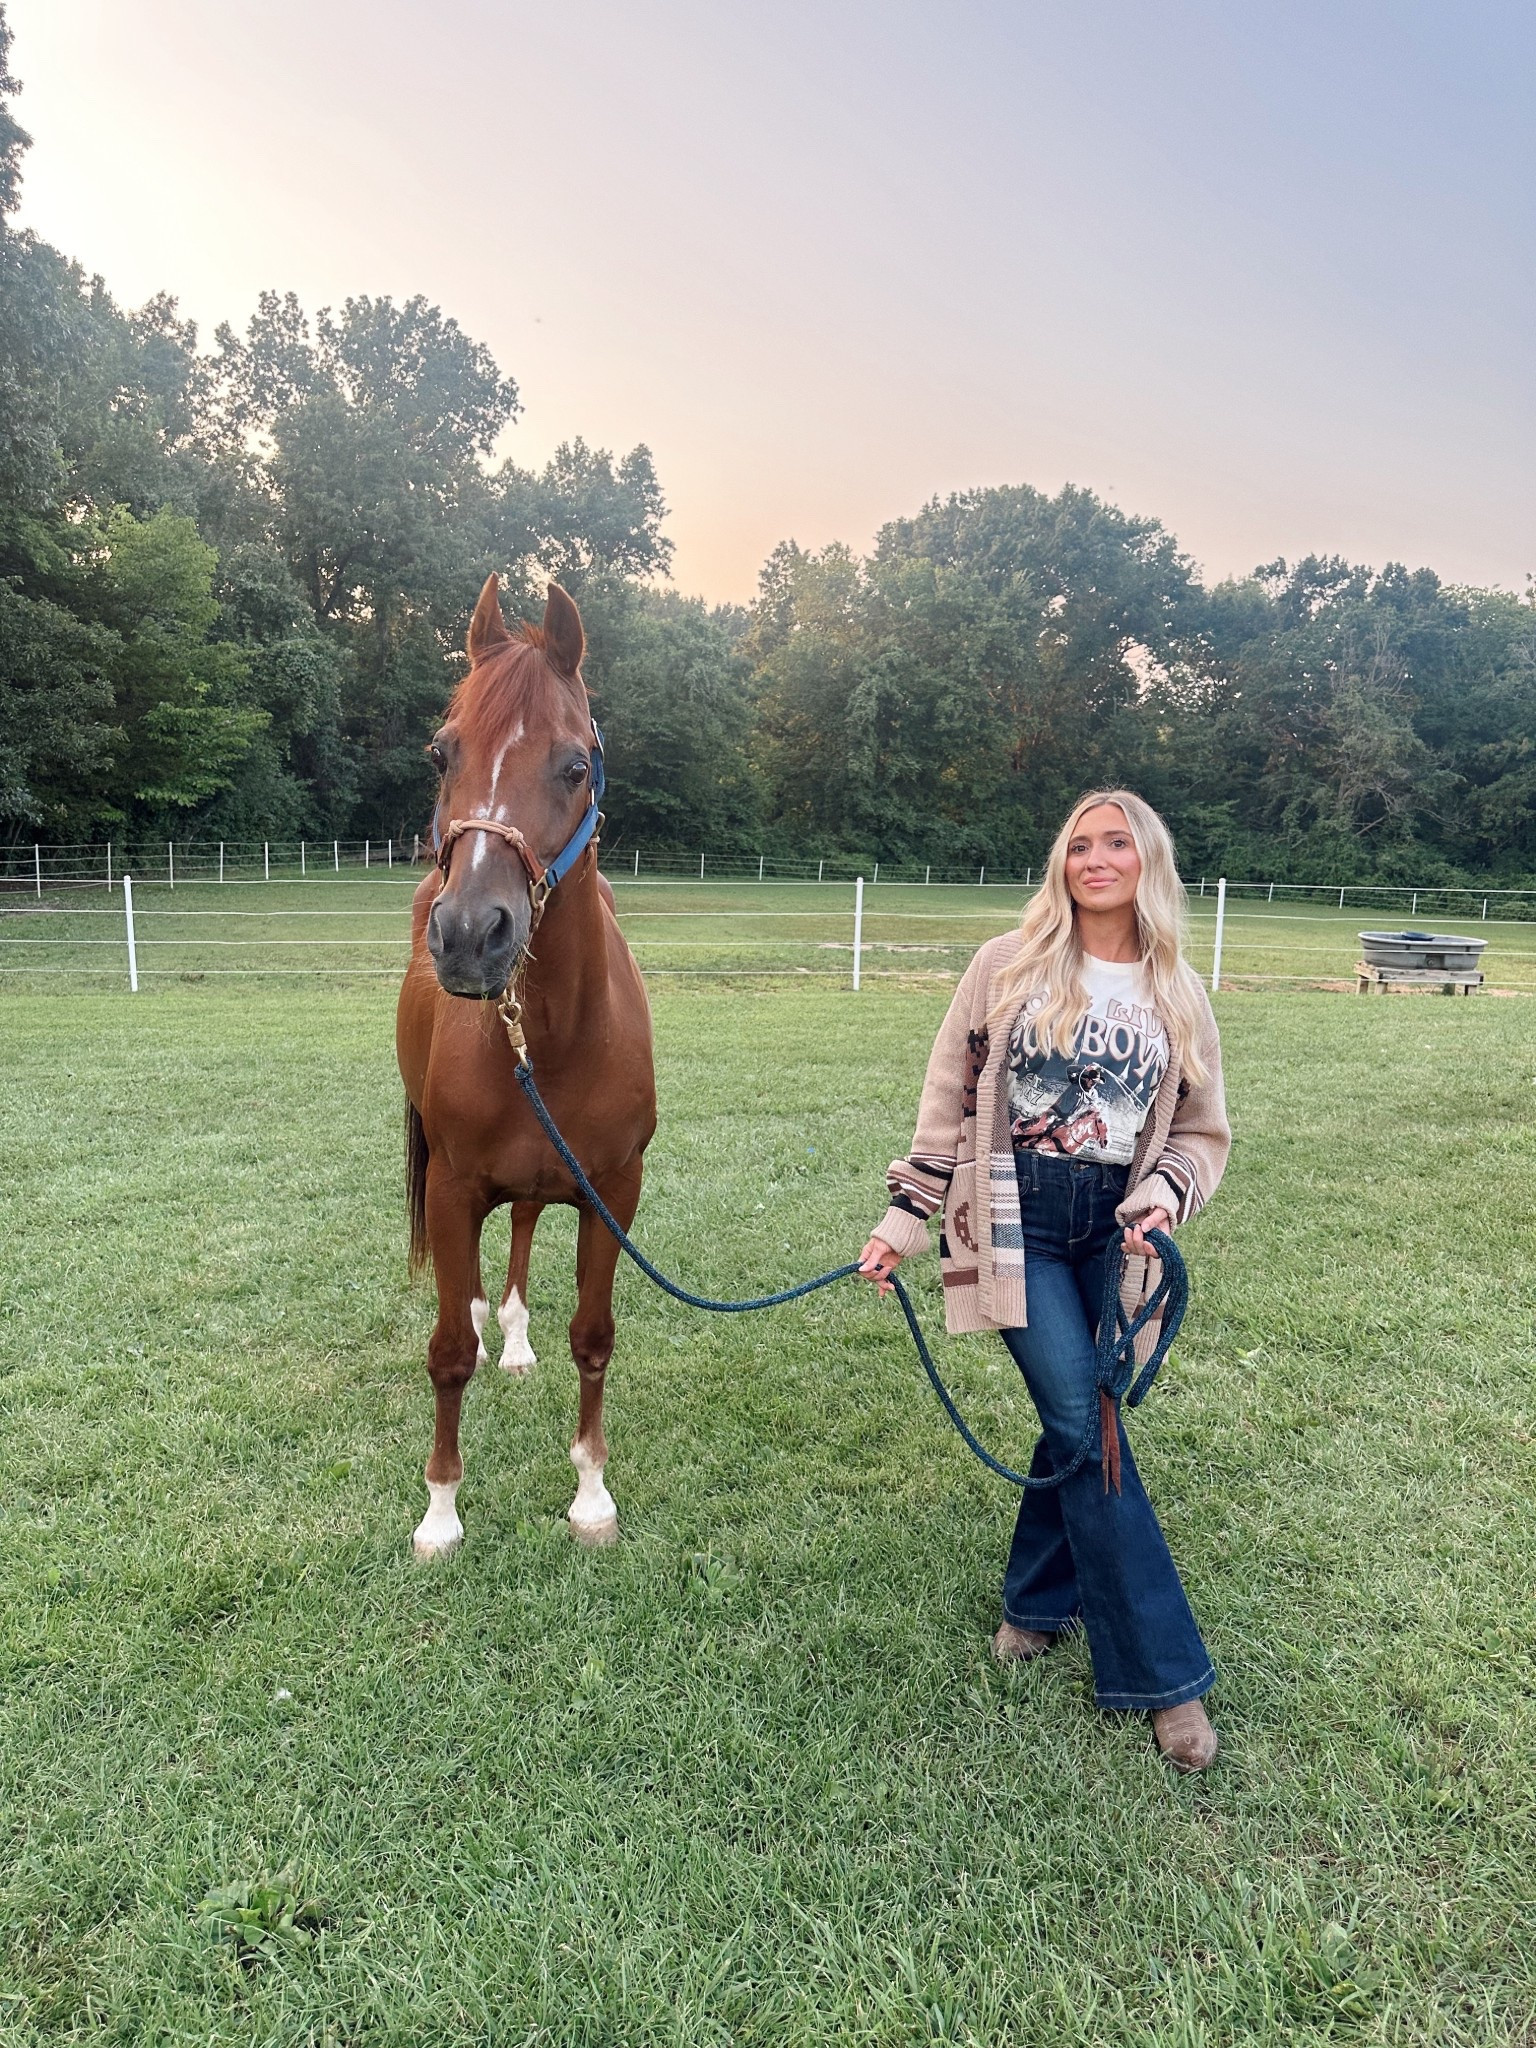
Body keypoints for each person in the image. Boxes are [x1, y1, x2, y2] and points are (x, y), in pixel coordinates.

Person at [858, 792, 1231, 1771]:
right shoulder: (1006, 965)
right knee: (1083, 1420)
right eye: (1079, 844)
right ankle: (1166, 1678)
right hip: (1015, 1216)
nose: (1095, 859)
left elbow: (1200, 1130)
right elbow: (949, 1098)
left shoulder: (1178, 990)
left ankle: (1035, 1601)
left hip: (1119, 1231)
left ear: (1147, 862)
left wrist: (1164, 1192)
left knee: (1081, 1415)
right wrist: (904, 1217)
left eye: (1116, 843)